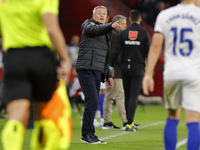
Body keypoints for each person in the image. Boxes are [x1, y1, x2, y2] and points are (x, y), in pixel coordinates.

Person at [0, 0, 71, 150]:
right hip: (42, 57)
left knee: (16, 116)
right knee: (44, 116)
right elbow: (52, 29)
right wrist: (64, 58)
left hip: (14, 58)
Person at [142, 0, 200, 150]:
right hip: (194, 73)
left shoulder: (165, 14)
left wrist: (148, 74)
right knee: (193, 120)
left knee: (172, 117)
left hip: (172, 73)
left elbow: (156, 45)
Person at [76, 5, 119, 144]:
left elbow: (104, 56)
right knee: (93, 101)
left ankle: (90, 135)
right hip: (86, 69)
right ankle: (86, 135)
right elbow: (95, 30)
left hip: (97, 70)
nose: (101, 15)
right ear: (93, 15)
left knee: (93, 103)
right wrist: (111, 26)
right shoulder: (87, 25)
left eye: (104, 13)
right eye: (99, 13)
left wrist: (108, 75)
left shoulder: (106, 32)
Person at [110, 10, 150, 131]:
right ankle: (129, 123)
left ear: (130, 19)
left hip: (124, 68)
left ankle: (127, 122)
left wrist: (111, 67)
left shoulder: (123, 33)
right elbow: (148, 52)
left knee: (127, 95)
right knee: (133, 96)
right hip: (138, 67)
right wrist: (149, 69)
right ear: (140, 19)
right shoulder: (144, 33)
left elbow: (116, 51)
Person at [102, 15, 128, 130]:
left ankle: (107, 122)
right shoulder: (114, 35)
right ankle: (126, 122)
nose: (126, 26)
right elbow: (113, 54)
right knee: (120, 95)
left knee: (109, 96)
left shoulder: (114, 34)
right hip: (115, 70)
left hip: (112, 69)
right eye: (123, 24)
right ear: (117, 24)